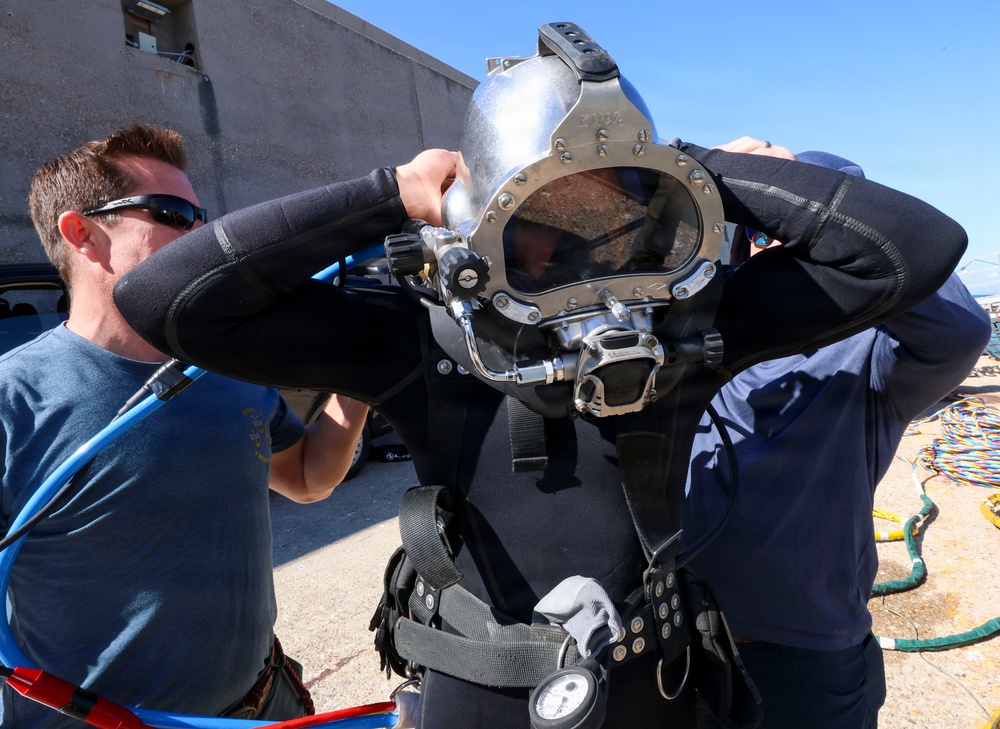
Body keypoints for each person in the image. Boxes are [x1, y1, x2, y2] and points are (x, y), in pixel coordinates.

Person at [114, 24, 969, 729]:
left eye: (615, 217)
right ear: (479, 220)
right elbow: (166, 299)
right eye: (545, 221)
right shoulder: (425, 335)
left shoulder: (687, 329)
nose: (586, 258)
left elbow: (918, 249)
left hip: (655, 688)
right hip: (479, 695)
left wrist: (703, 171)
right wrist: (393, 193)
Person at [0, 124, 369, 728]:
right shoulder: (13, 400)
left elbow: (307, 478)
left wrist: (358, 376)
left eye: (202, 217)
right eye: (172, 214)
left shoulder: (225, 367)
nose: (203, 235)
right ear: (82, 233)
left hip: (263, 702)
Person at [682, 144, 991, 728]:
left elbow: (959, 327)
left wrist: (819, 208)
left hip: (800, 649)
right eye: (761, 233)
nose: (776, 248)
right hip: (681, 632)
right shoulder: (704, 340)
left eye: (800, 237)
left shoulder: (874, 357)